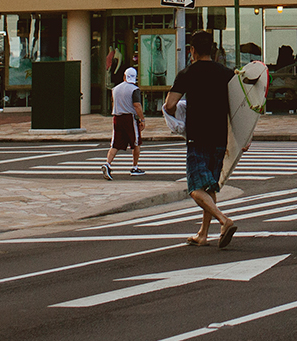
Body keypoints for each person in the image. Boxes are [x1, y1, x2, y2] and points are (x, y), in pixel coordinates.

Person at [165, 29, 238, 248]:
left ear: (192, 50)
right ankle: (203, 234)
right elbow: (239, 109)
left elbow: (170, 104)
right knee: (210, 188)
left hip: (198, 137)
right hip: (219, 137)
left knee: (195, 189)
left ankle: (224, 220)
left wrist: (178, 109)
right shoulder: (226, 74)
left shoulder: (187, 73)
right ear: (213, 51)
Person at [102, 67, 147, 180]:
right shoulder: (134, 89)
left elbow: (113, 102)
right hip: (129, 118)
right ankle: (135, 167)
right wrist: (142, 119)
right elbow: (137, 105)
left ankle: (108, 163)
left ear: (124, 76)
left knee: (115, 143)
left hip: (117, 117)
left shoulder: (115, 89)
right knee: (136, 142)